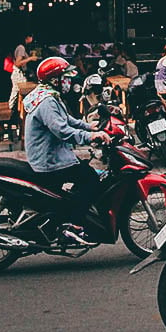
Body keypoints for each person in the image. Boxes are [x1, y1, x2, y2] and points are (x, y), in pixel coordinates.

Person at [23, 56, 114, 246]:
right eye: (65, 77)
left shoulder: (46, 95)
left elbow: (68, 120)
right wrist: (91, 136)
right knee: (90, 178)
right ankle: (73, 225)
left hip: (47, 156)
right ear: (54, 79)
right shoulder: (47, 101)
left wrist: (89, 126)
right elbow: (62, 130)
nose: (69, 81)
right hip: (49, 161)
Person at [8, 33, 39, 138]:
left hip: (19, 74)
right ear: (27, 37)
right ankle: (12, 118)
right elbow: (18, 63)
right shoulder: (21, 47)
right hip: (18, 75)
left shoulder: (21, 47)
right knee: (17, 97)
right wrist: (30, 59)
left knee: (17, 97)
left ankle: (17, 120)